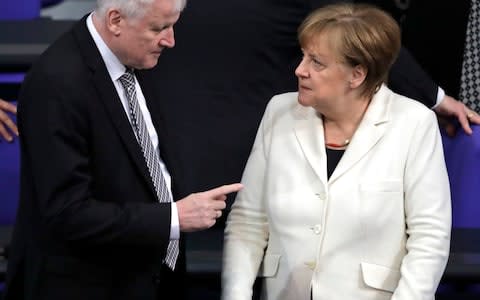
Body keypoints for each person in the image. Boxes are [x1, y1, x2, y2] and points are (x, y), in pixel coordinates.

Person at [3, 0, 242, 300]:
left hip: (150, 276)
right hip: (87, 286)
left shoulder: (138, 57)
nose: (170, 40)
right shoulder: (56, 84)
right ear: (116, 20)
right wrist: (173, 218)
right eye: (159, 28)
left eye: (172, 25)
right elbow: (67, 213)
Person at [221, 3, 451, 300]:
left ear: (357, 75)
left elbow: (429, 237)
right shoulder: (280, 112)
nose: (300, 70)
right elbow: (247, 221)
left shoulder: (414, 123)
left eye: (316, 62)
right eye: (303, 56)